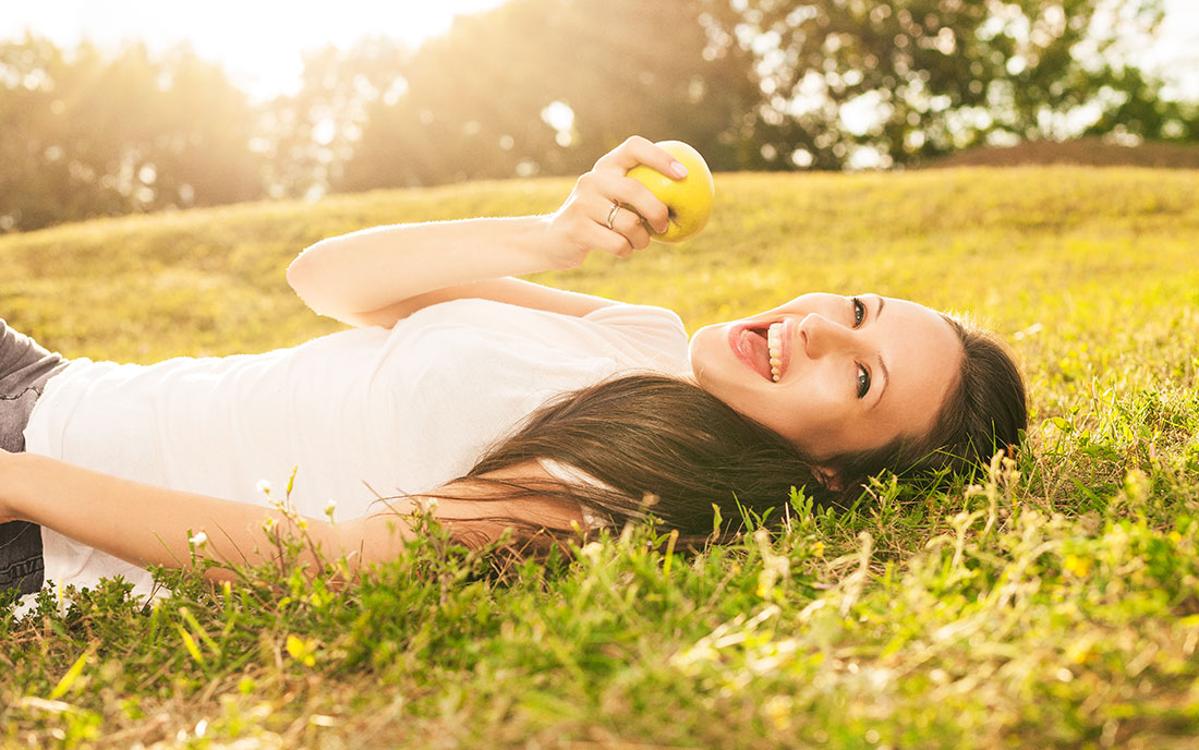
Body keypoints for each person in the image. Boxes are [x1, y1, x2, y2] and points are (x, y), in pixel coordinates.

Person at [0, 135, 1027, 604]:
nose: (815, 332)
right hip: (48, 386)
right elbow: (330, 279)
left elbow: (321, 560)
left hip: (36, 531)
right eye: (852, 310)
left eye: (857, 379)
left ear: (834, 474)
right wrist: (554, 235)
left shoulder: (625, 491)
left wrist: (20, 486)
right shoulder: (639, 330)